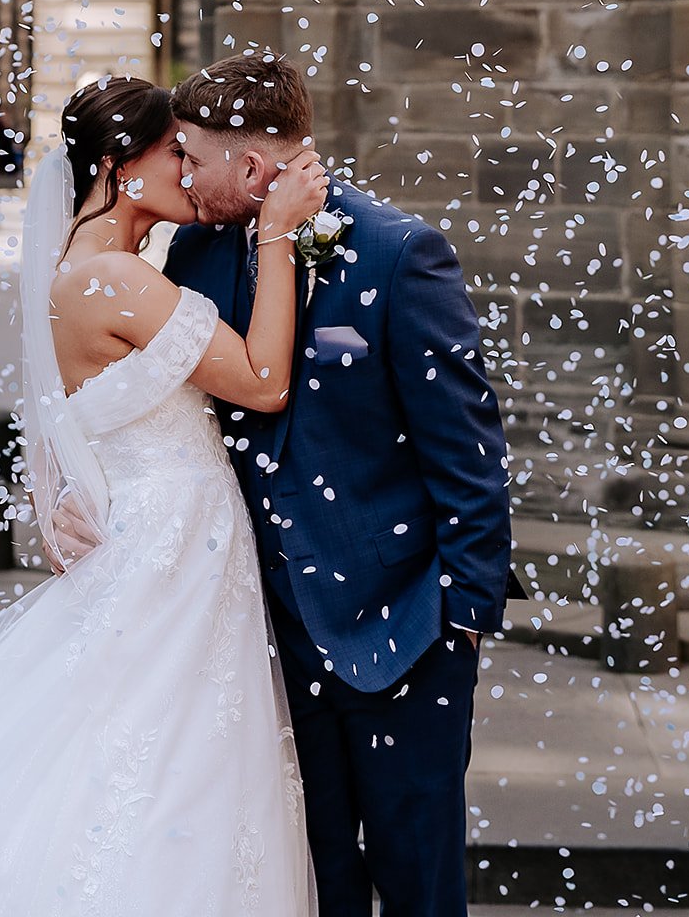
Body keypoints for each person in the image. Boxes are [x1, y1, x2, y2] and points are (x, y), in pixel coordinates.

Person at [0, 74, 326, 916]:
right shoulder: (109, 278)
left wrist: (56, 493)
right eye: (174, 155)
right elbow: (262, 384)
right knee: (154, 764)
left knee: (167, 756)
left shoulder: (89, 267)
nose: (191, 174)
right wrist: (275, 235)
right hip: (170, 553)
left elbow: (68, 416)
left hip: (172, 541)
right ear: (120, 167)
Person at [157, 51, 523, 917]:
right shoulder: (196, 255)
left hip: (402, 628)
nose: (181, 174)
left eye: (191, 157)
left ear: (249, 166)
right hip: (264, 637)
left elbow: (468, 454)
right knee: (309, 876)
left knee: (416, 876)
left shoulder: (398, 253)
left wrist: (463, 620)